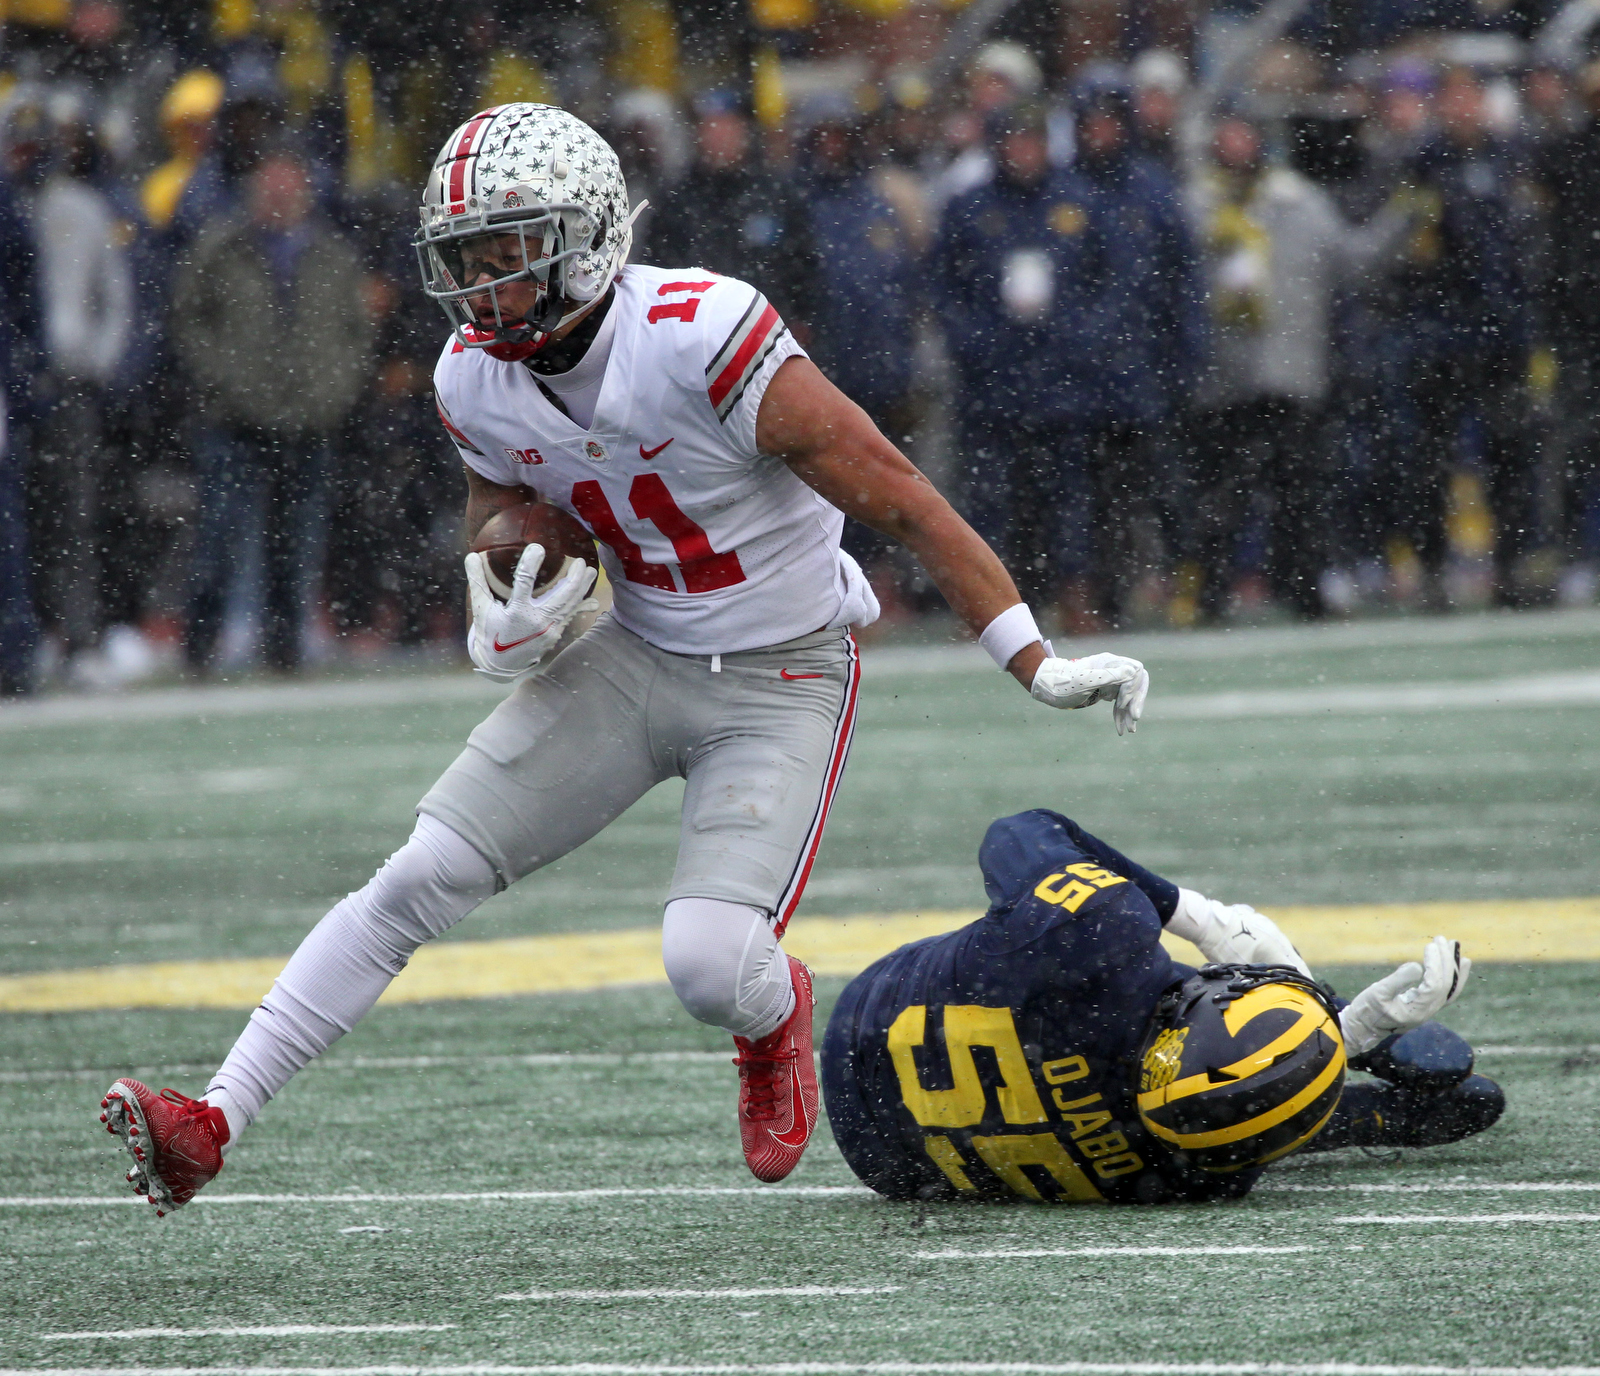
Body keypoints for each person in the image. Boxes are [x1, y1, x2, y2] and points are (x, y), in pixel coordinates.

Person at [99, 103, 1151, 1216]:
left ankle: (769, 1009)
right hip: (634, 649)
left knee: (706, 964)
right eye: (463, 259)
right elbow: (501, 505)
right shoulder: (472, 376)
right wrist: (509, 596)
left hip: (780, 670)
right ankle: (213, 1118)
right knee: (417, 875)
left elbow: (902, 496)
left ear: (589, 238)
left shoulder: (707, 333)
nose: (481, 285)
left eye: (508, 254)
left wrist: (1030, 657)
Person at [822, 807, 1503, 1204]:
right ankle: (1318, 1043)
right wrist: (1346, 1038)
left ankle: (1314, 1034)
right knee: (1250, 1123)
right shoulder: (1206, 1174)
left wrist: (1195, 916)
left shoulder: (1104, 934)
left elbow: (1020, 829)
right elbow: (1462, 1096)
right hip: (895, 1166)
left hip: (867, 1025)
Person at [172, 148, 371, 673]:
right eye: (271, 187)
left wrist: (333, 390)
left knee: (296, 546)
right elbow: (188, 321)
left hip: (308, 421)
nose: (281, 198)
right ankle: (200, 649)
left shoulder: (333, 254)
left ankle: (284, 650)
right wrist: (224, 380)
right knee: (217, 536)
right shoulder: (221, 248)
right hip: (232, 420)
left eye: (289, 187)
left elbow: (357, 331)